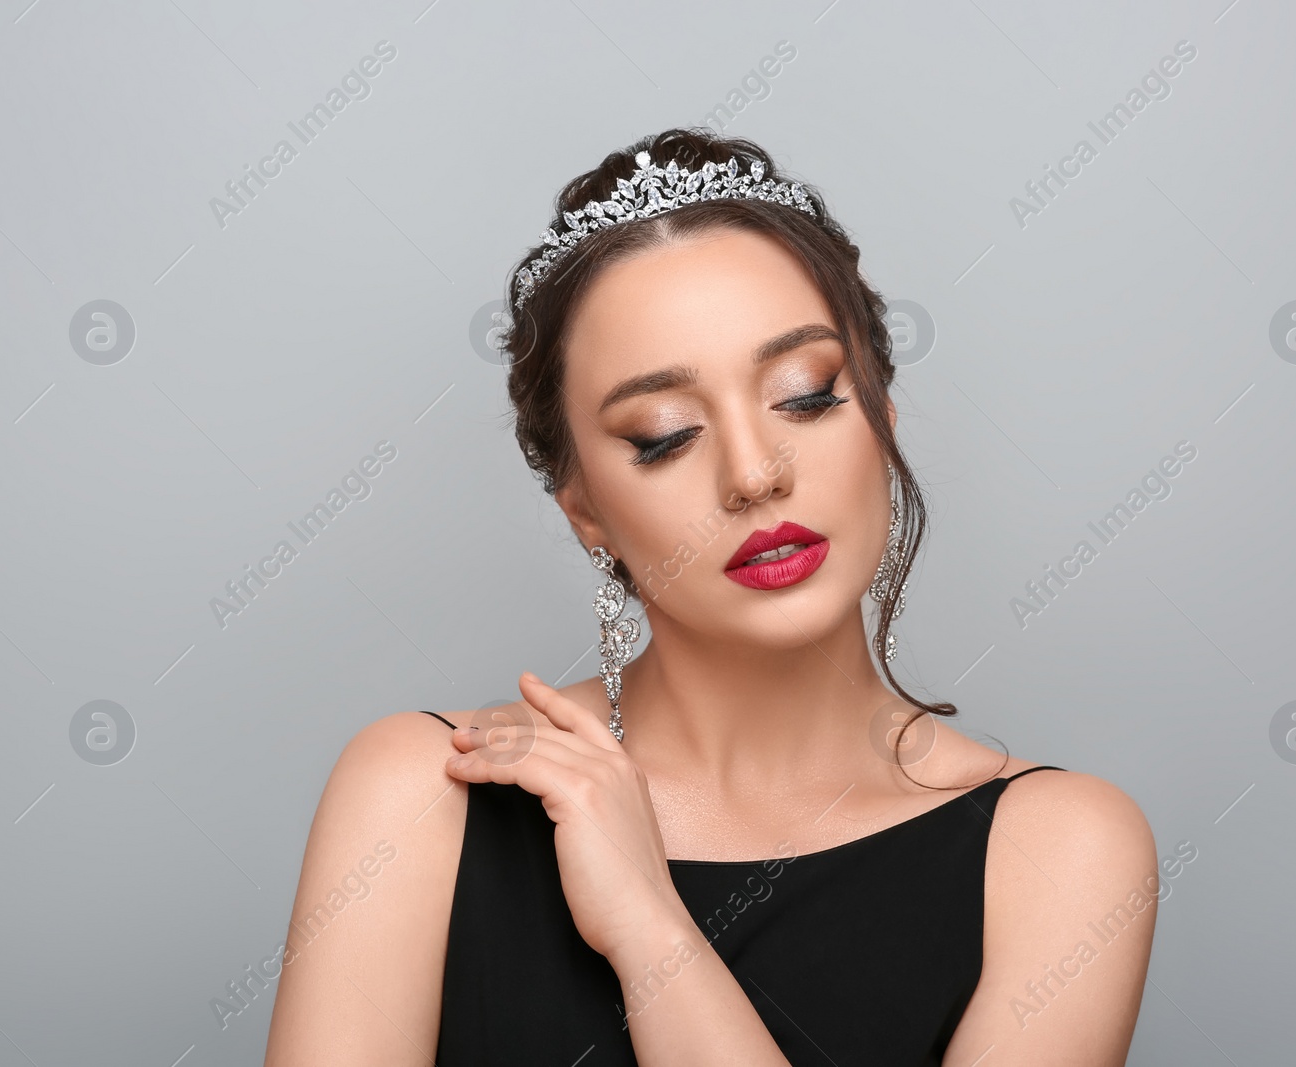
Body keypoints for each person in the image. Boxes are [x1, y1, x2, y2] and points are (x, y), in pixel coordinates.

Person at [263, 127, 1157, 1066]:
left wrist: (650, 925)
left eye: (806, 396)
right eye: (663, 435)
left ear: (882, 424)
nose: (754, 474)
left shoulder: (1060, 855)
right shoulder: (426, 792)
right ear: (585, 512)